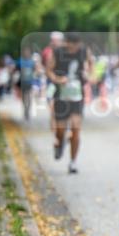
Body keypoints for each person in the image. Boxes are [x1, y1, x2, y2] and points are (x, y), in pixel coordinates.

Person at [45, 33, 94, 174]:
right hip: (61, 95)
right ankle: (59, 144)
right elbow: (48, 70)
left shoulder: (84, 50)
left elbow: (91, 63)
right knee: (60, 130)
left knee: (76, 129)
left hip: (77, 96)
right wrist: (58, 79)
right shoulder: (57, 52)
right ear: (67, 43)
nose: (74, 47)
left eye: (77, 44)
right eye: (72, 44)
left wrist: (88, 74)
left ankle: (73, 162)